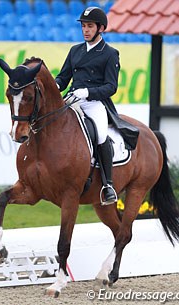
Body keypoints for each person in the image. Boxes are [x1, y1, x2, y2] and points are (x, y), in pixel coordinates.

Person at [55, 7, 120, 205]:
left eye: (90, 26)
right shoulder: (75, 50)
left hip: (94, 103)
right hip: (73, 99)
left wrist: (89, 92)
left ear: (100, 28)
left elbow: (111, 86)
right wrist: (55, 85)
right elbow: (63, 77)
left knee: (100, 134)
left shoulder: (110, 53)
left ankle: (108, 185)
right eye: (83, 26)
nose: (85, 30)